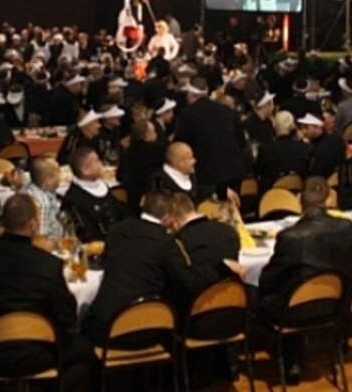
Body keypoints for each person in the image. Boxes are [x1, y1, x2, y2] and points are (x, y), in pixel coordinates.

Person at [257, 177, 352, 384]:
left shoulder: (289, 237)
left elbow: (266, 280)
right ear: (329, 200)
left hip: (294, 313)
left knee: (271, 290)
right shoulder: (345, 228)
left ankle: (291, 361)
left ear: (299, 201)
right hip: (336, 307)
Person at [84, 190, 238, 347]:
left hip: (102, 327)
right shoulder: (167, 243)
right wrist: (222, 268)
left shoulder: (117, 230)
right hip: (140, 330)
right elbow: (191, 282)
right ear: (168, 216)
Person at [0, 194, 96, 391]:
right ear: (33, 225)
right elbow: (67, 317)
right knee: (87, 351)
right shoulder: (48, 265)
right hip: (38, 353)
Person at [176, 77, 246, 196]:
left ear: (190, 94)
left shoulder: (187, 115)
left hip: (207, 176)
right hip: (233, 171)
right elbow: (241, 142)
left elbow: (180, 147)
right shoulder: (227, 111)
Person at [62, 147, 130, 242]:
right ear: (85, 170)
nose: (101, 163)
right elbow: (86, 233)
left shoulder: (102, 186)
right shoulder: (74, 199)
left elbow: (119, 210)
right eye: (97, 161)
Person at [117, 120, 165, 214]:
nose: (156, 134)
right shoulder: (159, 152)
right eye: (153, 131)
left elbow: (120, 176)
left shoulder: (126, 152)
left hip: (131, 198)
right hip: (152, 198)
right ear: (146, 136)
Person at [256, 111, 311, 192]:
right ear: (293, 127)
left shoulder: (266, 149)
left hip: (272, 195)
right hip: (299, 194)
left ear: (274, 126)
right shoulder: (305, 148)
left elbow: (258, 172)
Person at [23, 156, 64, 241]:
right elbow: (41, 237)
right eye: (59, 173)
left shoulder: (30, 185)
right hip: (52, 242)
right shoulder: (42, 203)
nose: (61, 177)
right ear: (48, 180)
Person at [298, 113, 345, 178]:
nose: (303, 131)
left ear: (317, 127)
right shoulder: (336, 138)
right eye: (301, 128)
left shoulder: (316, 149)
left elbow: (315, 174)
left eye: (306, 127)